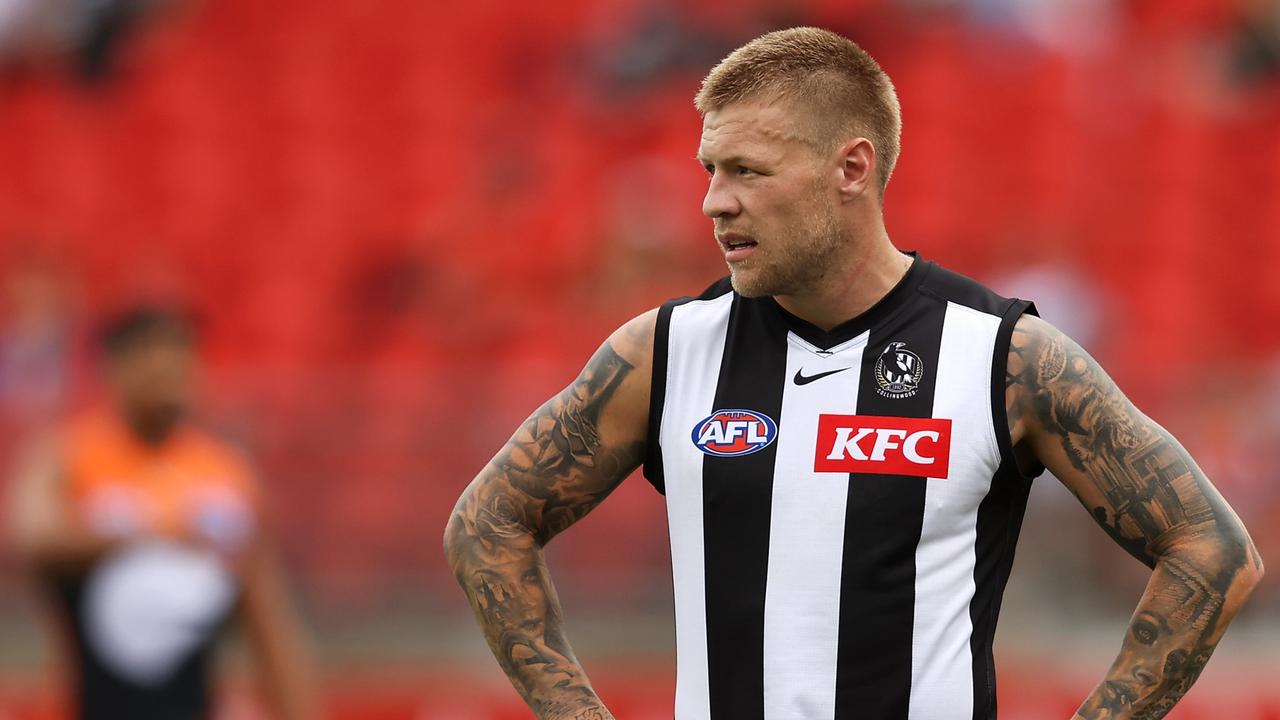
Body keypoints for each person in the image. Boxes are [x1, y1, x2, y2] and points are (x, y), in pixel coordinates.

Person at [443, 27, 1264, 720]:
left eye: (748, 171)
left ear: (852, 168)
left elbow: (1212, 550)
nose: (714, 203)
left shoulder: (1004, 358)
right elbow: (486, 525)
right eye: (710, 171)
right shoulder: (664, 353)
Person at [8, 306, 318, 720]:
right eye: (147, 353)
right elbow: (33, 535)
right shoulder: (69, 457)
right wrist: (158, 535)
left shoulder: (225, 474)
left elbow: (266, 614)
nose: (165, 369)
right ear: (111, 367)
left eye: (178, 353)